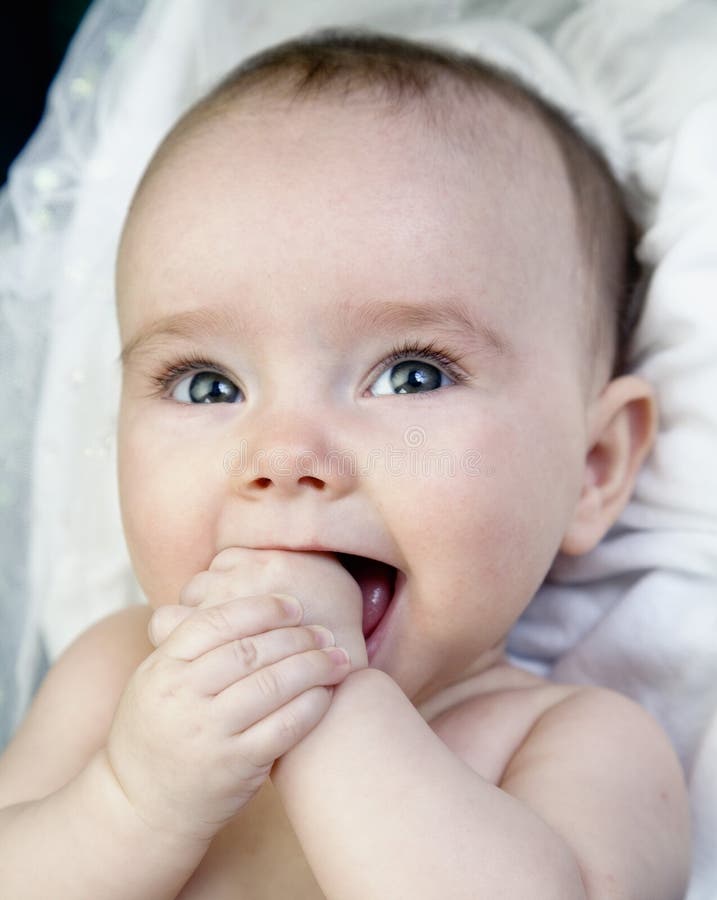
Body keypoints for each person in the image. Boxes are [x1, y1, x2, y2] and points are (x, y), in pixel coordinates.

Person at [0, 28, 691, 899]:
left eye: (410, 374)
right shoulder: (113, 681)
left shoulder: (573, 743)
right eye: (207, 385)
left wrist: (329, 705)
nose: (284, 456)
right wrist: (132, 803)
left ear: (592, 467)